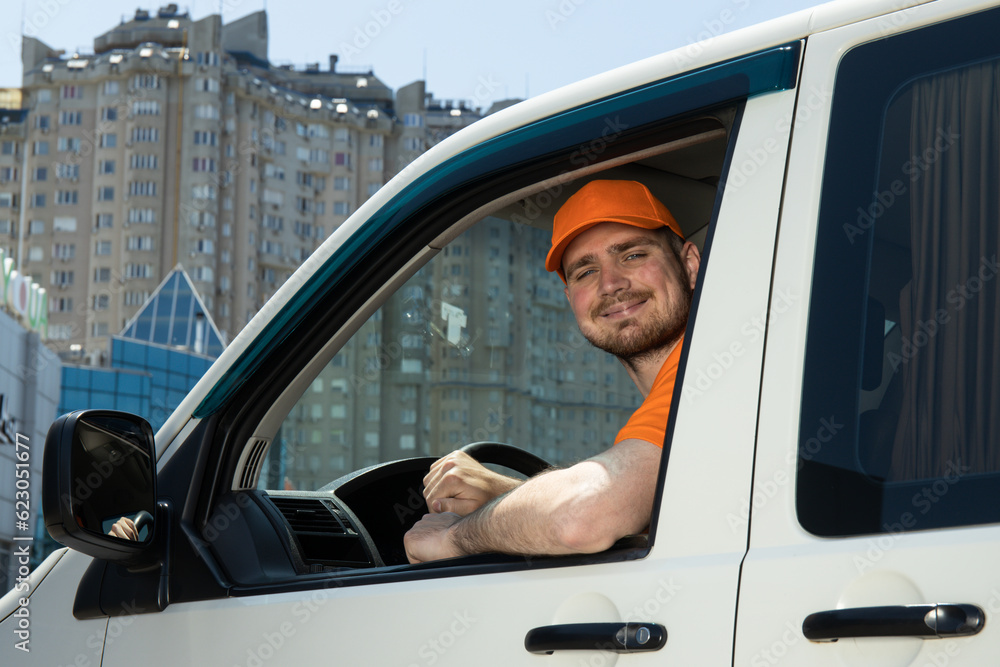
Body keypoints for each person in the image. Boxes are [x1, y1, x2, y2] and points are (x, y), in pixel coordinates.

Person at [403, 179, 701, 564]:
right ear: (570, 299)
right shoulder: (684, 387)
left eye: (632, 256)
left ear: (690, 265)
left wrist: (452, 538)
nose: (610, 284)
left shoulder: (702, 372)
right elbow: (649, 520)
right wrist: (502, 495)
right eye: (585, 272)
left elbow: (583, 518)